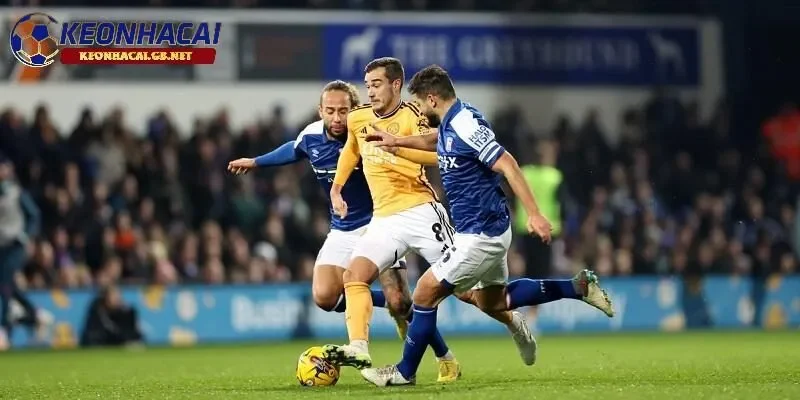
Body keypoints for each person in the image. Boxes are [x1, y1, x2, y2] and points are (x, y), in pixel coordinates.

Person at [358, 65, 615, 386]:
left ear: (433, 99)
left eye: (422, 104)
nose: (421, 111)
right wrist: (398, 141)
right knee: (495, 302)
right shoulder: (454, 121)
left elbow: (506, 163)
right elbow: (436, 138)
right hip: (486, 228)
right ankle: (578, 287)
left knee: (423, 293)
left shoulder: (464, 123)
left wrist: (534, 213)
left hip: (480, 232)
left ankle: (404, 372)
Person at [321, 58, 534, 382]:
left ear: (395, 85)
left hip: (421, 211)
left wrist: (397, 148)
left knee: (470, 294)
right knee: (355, 275)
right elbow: (352, 149)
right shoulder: (358, 117)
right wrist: (337, 189)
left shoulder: (414, 116)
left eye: (377, 85)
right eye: (368, 86)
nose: (371, 92)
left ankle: (512, 321)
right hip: (384, 218)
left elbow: (439, 153)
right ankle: (359, 348)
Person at [227, 80, 449, 372]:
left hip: (381, 224)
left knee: (400, 302)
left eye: (343, 111)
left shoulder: (370, 131)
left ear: (354, 110)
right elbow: (292, 150)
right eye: (329, 111)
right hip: (342, 229)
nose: (336, 118)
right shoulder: (311, 136)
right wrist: (255, 162)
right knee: (325, 296)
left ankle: (444, 356)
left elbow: (416, 147)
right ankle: (383, 306)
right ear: (320, 111)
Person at [0, 153, 48, 346]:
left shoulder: (17, 192)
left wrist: (26, 235)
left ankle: (4, 330)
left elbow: (34, 215)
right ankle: (35, 314)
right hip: (1, 246)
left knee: (5, 282)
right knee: (6, 284)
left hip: (15, 245)